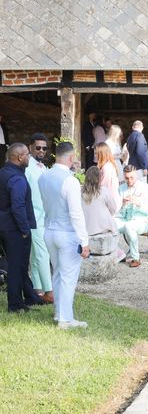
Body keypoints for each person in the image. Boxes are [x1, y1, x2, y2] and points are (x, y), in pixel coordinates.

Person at [39, 142, 90, 329]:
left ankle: (59, 313)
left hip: (49, 231)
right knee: (68, 277)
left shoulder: (43, 177)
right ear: (70, 158)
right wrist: (84, 241)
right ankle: (65, 319)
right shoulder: (70, 180)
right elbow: (76, 213)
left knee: (58, 274)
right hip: (67, 233)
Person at [0, 143, 43, 312]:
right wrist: (25, 230)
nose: (29, 157)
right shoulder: (17, 178)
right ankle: (16, 304)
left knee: (18, 265)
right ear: (19, 158)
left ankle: (31, 296)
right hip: (15, 229)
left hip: (4, 227)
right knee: (17, 267)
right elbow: (18, 206)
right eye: (27, 155)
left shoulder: (3, 173)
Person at [25, 133, 53, 303]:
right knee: (42, 254)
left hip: (44, 217)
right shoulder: (28, 167)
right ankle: (49, 291)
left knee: (37, 255)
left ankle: (37, 289)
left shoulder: (43, 167)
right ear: (30, 147)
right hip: (34, 218)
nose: (41, 151)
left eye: (44, 148)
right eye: (38, 148)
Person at [116, 165, 148, 268]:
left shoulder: (146, 188)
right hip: (125, 218)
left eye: (132, 177)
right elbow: (116, 210)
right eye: (126, 178)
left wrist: (139, 204)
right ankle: (118, 254)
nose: (129, 180)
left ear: (136, 175)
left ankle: (135, 258)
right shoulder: (121, 188)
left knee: (129, 226)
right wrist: (121, 204)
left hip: (143, 220)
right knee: (109, 224)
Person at [81, 166, 118, 236]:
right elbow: (113, 209)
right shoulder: (104, 190)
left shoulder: (80, 192)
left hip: (86, 228)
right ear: (99, 178)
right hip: (104, 227)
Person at [95, 142, 122, 213]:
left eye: (96, 153)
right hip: (111, 200)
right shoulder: (108, 165)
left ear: (101, 154)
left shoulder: (106, 168)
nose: (95, 156)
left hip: (110, 203)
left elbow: (103, 188)